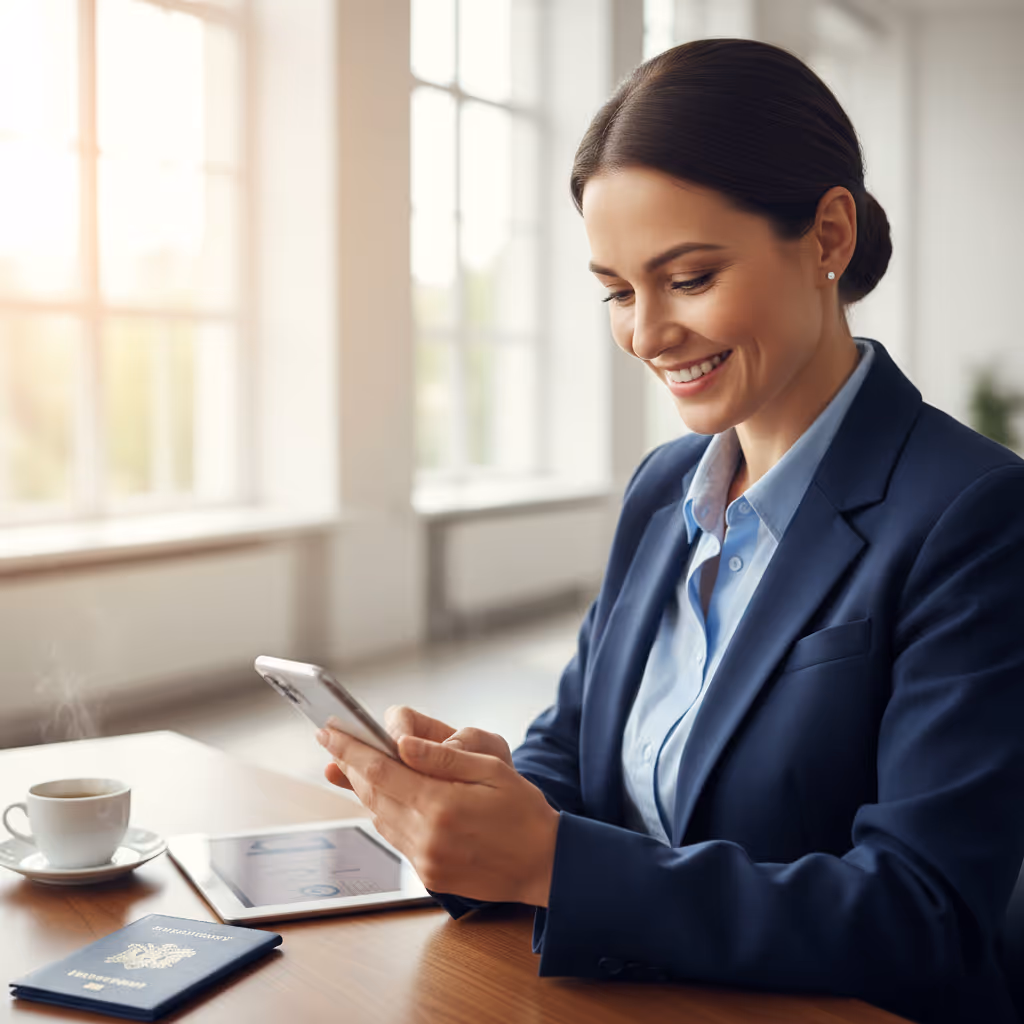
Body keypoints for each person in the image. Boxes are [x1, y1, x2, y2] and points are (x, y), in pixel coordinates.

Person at [316, 38, 1024, 1024]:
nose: (645, 334)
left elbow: (924, 916)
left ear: (827, 237)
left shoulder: (974, 513)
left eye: (686, 277)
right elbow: (575, 755)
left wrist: (554, 862)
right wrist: (477, 804)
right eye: (615, 289)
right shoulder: (662, 490)